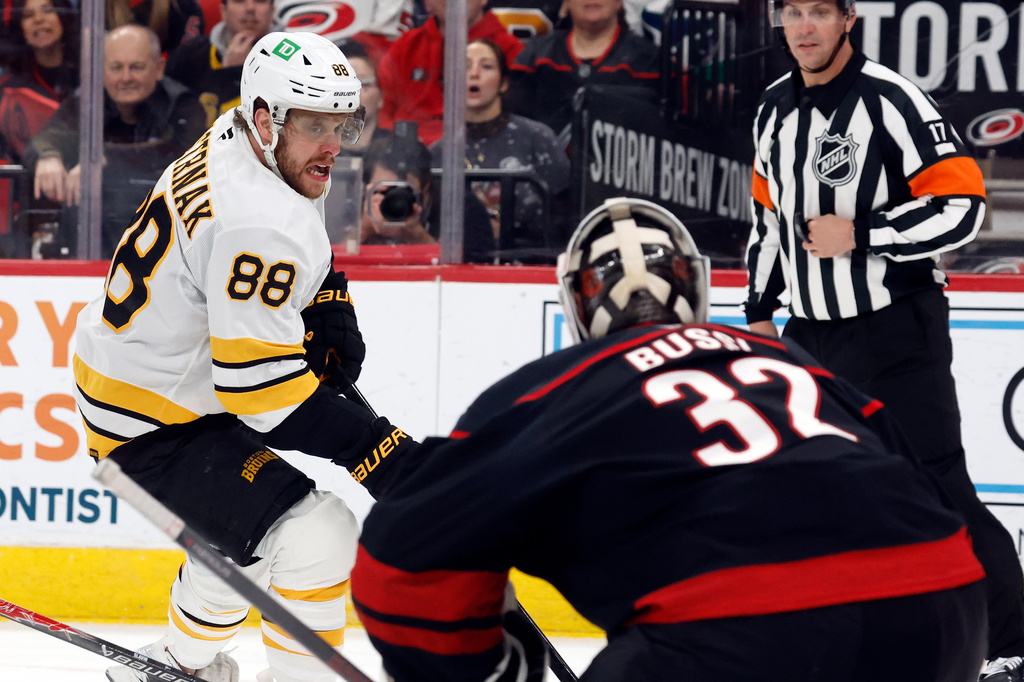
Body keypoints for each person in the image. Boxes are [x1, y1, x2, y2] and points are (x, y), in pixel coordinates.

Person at [350, 196, 988, 682]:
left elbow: (401, 555)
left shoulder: (559, 387)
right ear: (696, 286)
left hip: (736, 633)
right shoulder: (798, 366)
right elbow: (923, 488)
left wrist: (487, 670)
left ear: (579, 301)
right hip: (942, 605)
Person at [74, 31, 414, 682]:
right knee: (318, 535)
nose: (333, 145)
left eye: (340, 124)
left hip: (142, 376)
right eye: (315, 125)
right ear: (266, 119)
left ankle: (174, 668)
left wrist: (326, 297)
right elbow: (260, 395)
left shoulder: (247, 135)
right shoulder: (257, 220)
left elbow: (288, 226)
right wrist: (377, 450)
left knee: (249, 540)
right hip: (152, 420)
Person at [743, 1, 1024, 681]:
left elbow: (964, 208)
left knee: (935, 489)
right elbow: (767, 219)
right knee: (811, 492)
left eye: (819, 11)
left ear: (848, 20)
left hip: (895, 328)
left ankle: (1013, 644)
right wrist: (759, 311)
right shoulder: (773, 107)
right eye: (792, 12)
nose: (804, 27)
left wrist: (864, 232)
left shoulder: (893, 100)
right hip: (808, 333)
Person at [23, 24, 208, 257]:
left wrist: (99, 160)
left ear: (159, 68)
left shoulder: (183, 105)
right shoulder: (85, 104)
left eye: (136, 67)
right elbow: (46, 139)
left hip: (165, 244)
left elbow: (179, 157)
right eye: (116, 67)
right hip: (90, 249)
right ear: (101, 70)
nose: (125, 78)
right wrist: (48, 155)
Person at [429, 38, 571, 259]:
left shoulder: (537, 139)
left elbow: (565, 220)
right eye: (465, 66)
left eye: (486, 66)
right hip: (462, 265)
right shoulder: (438, 153)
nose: (474, 73)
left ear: (503, 83)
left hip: (530, 262)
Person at [508, 0, 658, 143]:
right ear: (566, 3)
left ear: (619, 2)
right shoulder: (536, 57)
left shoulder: (648, 61)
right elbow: (514, 126)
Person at [376, 0, 523, 146]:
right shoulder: (404, 48)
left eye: (486, 66)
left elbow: (515, 123)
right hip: (406, 151)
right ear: (426, 3)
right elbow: (382, 113)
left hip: (482, 149)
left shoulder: (511, 51)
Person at [0, 0, 78, 256]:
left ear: (64, 16)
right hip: (26, 210)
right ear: (20, 27)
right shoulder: (8, 88)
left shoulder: (91, 76)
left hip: (83, 204)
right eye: (28, 15)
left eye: (48, 10)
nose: (38, 20)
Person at [360, 129, 495, 262]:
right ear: (367, 188)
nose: (394, 202)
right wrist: (363, 230)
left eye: (403, 191)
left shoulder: (460, 209)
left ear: (425, 189)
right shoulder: (357, 207)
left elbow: (475, 270)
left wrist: (418, 237)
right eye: (384, 190)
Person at [166, 0, 276, 127]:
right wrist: (228, 75)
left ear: (272, 11)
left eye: (260, 0)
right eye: (239, 1)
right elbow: (177, 123)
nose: (250, 8)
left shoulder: (293, 59)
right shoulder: (189, 55)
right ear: (223, 11)